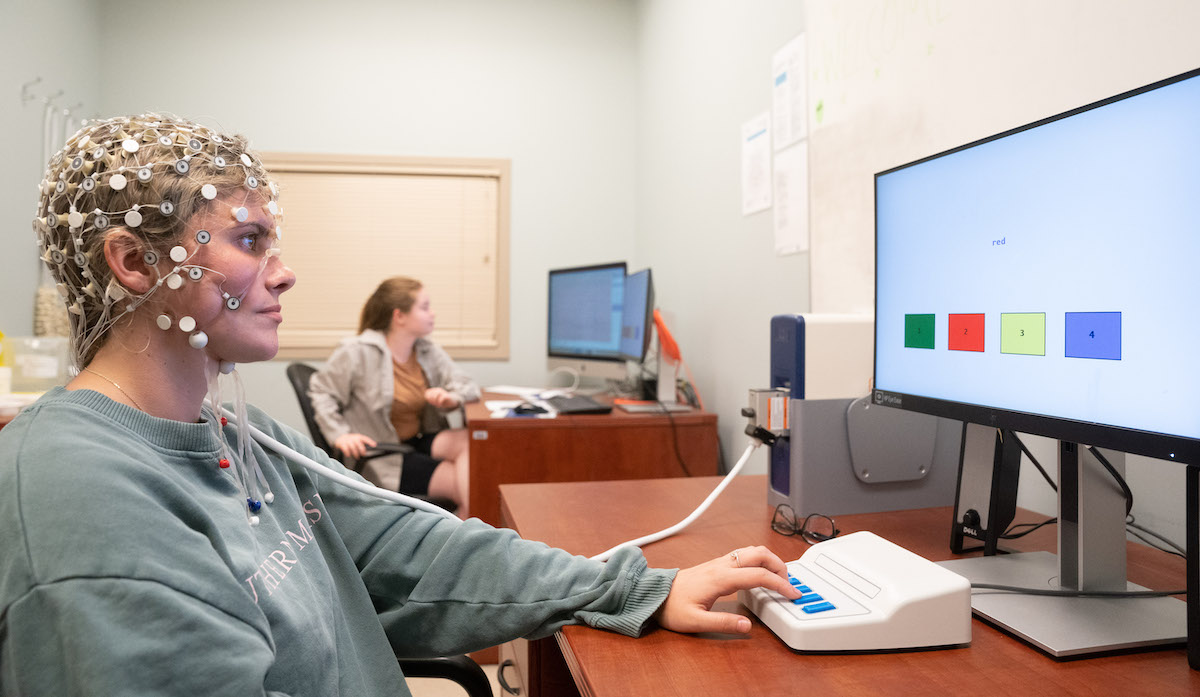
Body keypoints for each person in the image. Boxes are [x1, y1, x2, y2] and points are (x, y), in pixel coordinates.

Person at [0, 113, 800, 696]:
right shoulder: (81, 492)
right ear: (135, 261)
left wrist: (637, 587)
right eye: (249, 242)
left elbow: (413, 548)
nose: (282, 274)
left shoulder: (240, 433)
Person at [309, 277, 477, 516]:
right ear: (399, 316)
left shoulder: (426, 350)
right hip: (382, 454)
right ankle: (467, 540)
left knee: (469, 443)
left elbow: (467, 385)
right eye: (425, 307)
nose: (433, 313)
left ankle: (466, 536)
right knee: (472, 486)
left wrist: (451, 398)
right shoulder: (356, 352)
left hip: (416, 441)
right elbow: (321, 392)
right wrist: (340, 435)